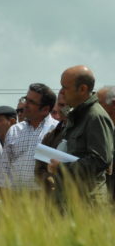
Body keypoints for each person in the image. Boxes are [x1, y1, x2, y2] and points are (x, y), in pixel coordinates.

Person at [48, 66, 114, 204]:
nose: (61, 92)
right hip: (70, 200)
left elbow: (100, 160)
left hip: (88, 204)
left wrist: (62, 168)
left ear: (82, 89)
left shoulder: (95, 116)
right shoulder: (76, 115)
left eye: (65, 87)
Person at [0, 83, 58, 193]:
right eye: (26, 99)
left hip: (45, 198)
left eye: (31, 102)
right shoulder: (14, 130)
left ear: (45, 109)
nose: (25, 105)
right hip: (15, 198)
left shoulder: (56, 130)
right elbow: (4, 168)